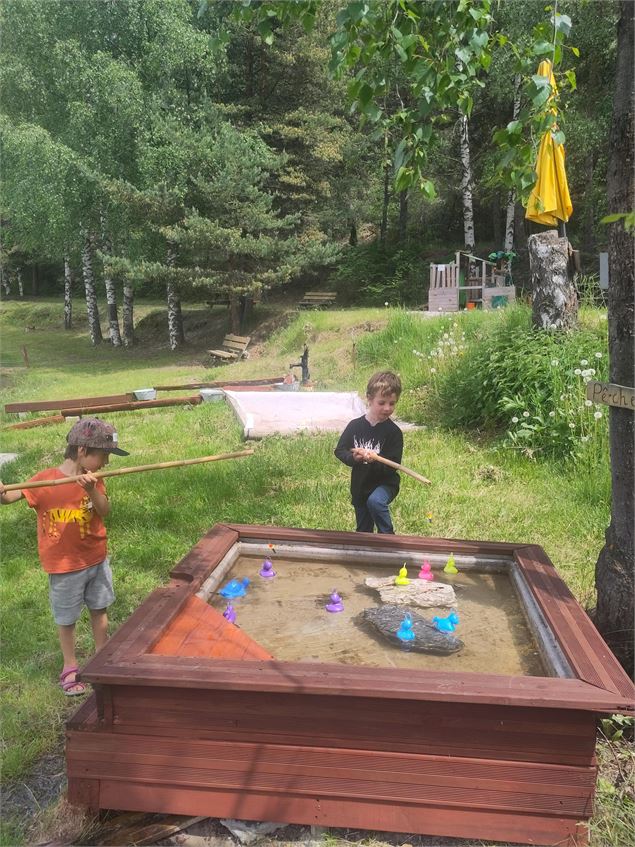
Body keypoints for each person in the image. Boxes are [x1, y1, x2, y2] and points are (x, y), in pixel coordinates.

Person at [0, 418, 128, 696]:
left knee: (99, 608)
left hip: (95, 558)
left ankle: (101, 658)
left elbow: (104, 510)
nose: (106, 462)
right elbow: (11, 497)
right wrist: (1, 492)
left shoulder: (95, 480)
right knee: (67, 617)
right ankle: (70, 666)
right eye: (103, 455)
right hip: (64, 566)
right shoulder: (45, 480)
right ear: (82, 451)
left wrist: (91, 489)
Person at [335, 371, 403, 534]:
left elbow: (392, 466)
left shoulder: (393, 433)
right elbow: (340, 450)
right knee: (363, 531)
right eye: (382, 402)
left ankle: (388, 537)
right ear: (369, 399)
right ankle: (365, 553)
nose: (387, 408)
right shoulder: (355, 426)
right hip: (361, 486)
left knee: (375, 502)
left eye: (392, 403)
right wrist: (354, 458)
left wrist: (375, 459)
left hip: (385, 484)